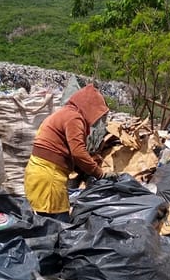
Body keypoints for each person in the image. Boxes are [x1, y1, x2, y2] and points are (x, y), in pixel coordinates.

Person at [24, 84, 117, 222]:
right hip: (49, 176)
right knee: (58, 225)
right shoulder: (74, 118)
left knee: (42, 223)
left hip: (39, 172)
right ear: (89, 107)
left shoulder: (65, 113)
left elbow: (67, 150)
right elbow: (78, 152)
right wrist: (100, 173)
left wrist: (84, 171)